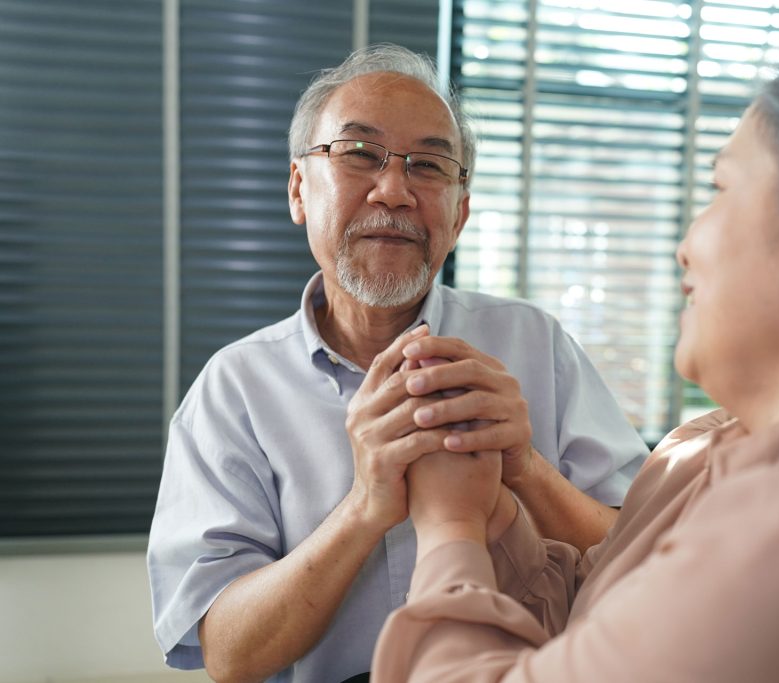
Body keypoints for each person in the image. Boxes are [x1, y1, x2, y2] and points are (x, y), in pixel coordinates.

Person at [371, 28, 779, 682]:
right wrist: (493, 504)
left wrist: (449, 525)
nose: (687, 244)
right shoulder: (706, 450)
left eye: (721, 188)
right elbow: (603, 615)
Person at [146, 45, 648, 683]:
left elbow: (648, 562)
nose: (395, 190)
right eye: (360, 155)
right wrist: (365, 506)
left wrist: (527, 470)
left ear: (459, 213)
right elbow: (229, 654)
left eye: (430, 166)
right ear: (300, 189)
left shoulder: (535, 344)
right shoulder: (233, 389)